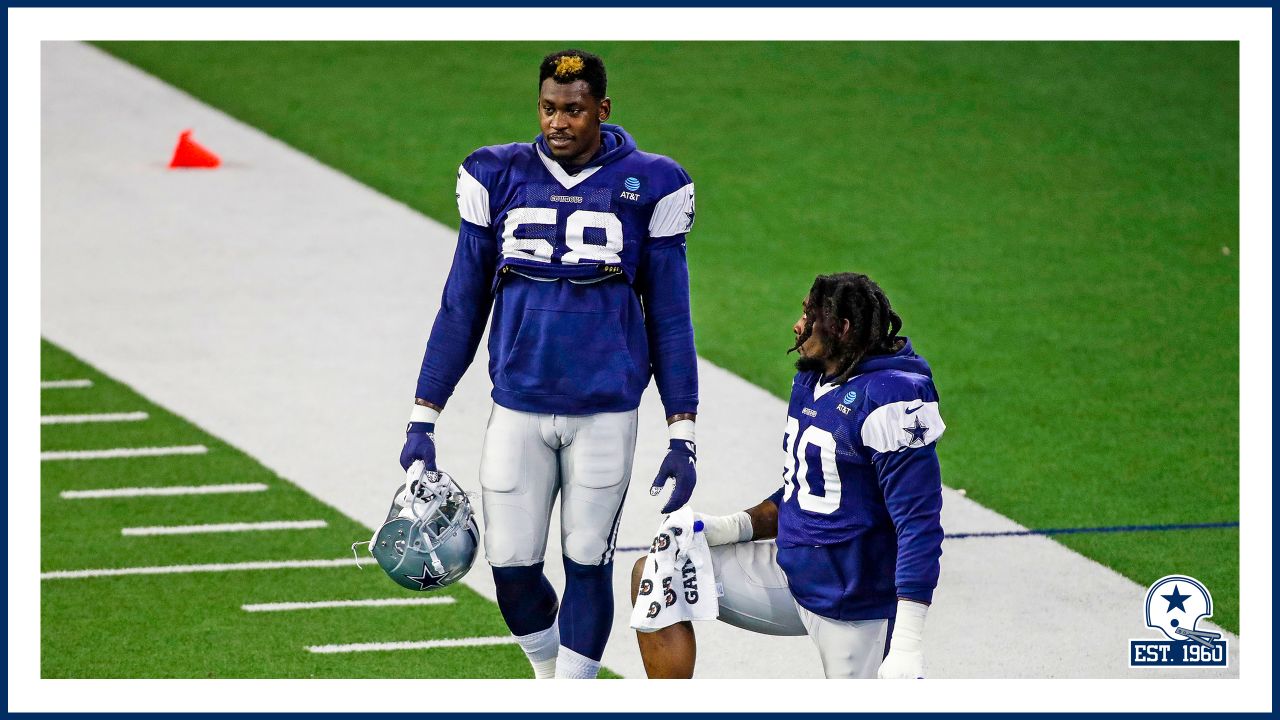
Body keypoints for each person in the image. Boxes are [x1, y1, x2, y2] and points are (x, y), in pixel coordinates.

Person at [401, 49, 700, 680]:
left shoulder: (653, 182)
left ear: (602, 109)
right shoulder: (497, 172)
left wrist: (683, 432)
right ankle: (547, 675)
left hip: (605, 410)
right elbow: (462, 305)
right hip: (519, 403)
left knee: (588, 555)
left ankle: (571, 689)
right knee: (510, 565)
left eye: (573, 108)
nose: (557, 122)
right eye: (547, 107)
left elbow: (670, 317)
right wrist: (423, 415)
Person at [631, 272, 944, 679]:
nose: (798, 325)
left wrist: (907, 643)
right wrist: (732, 527)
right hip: (790, 573)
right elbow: (807, 486)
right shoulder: (814, 378)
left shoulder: (894, 399)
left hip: (851, 603)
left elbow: (919, 526)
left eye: (809, 316)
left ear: (842, 329)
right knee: (657, 572)